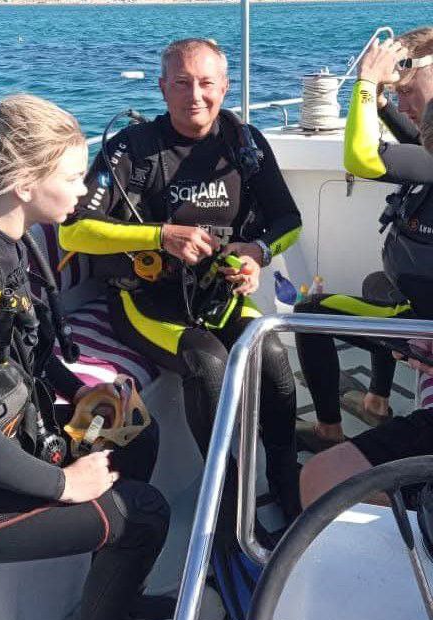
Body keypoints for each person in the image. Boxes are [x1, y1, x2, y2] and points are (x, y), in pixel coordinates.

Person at [0, 94, 169, 620]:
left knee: (136, 427)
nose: (84, 189)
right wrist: (64, 484)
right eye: (73, 176)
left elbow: (29, 346)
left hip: (12, 438)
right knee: (145, 514)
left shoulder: (10, 242)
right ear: (24, 183)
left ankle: (114, 594)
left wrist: (79, 391)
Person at [59, 38, 303, 538]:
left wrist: (256, 254)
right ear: (163, 88)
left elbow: (288, 220)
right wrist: (160, 236)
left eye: (207, 83)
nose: (196, 95)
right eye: (182, 83)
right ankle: (228, 503)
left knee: (272, 352)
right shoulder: (132, 148)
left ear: (225, 87)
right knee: (207, 362)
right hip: (144, 300)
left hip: (217, 293)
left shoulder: (245, 144)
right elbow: (73, 231)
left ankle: (284, 475)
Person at [300, 47, 433, 511]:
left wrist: (365, 84)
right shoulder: (427, 149)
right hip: (413, 303)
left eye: (409, 91)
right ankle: (376, 402)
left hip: (418, 321)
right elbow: (419, 142)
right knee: (376, 284)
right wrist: (380, 106)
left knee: (310, 316)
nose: (403, 103)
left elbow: (361, 158)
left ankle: (328, 432)